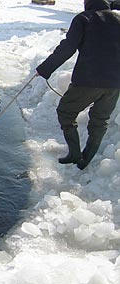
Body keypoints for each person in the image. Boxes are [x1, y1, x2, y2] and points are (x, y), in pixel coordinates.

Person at [36, 0, 120, 170]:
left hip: (87, 80)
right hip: (115, 83)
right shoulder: (118, 20)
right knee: (100, 121)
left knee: (66, 112)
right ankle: (85, 159)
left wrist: (45, 69)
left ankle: (74, 153)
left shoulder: (84, 19)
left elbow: (68, 47)